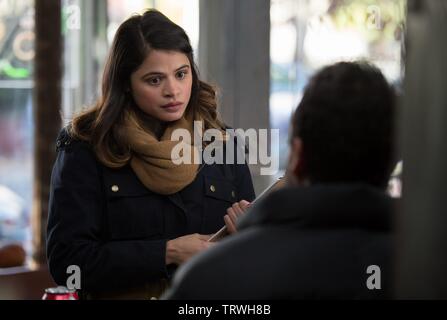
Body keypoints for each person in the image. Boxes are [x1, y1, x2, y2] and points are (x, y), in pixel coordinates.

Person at [46, 9, 255, 299]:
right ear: (126, 85)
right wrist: (167, 252)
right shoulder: (85, 146)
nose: (173, 90)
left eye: (181, 74)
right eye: (154, 80)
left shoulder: (222, 143)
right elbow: (67, 265)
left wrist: (248, 234)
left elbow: (252, 261)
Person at [162, 61, 397, 300]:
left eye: (181, 74)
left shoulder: (210, 278)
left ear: (298, 156)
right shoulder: (427, 269)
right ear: (392, 159)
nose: (171, 90)